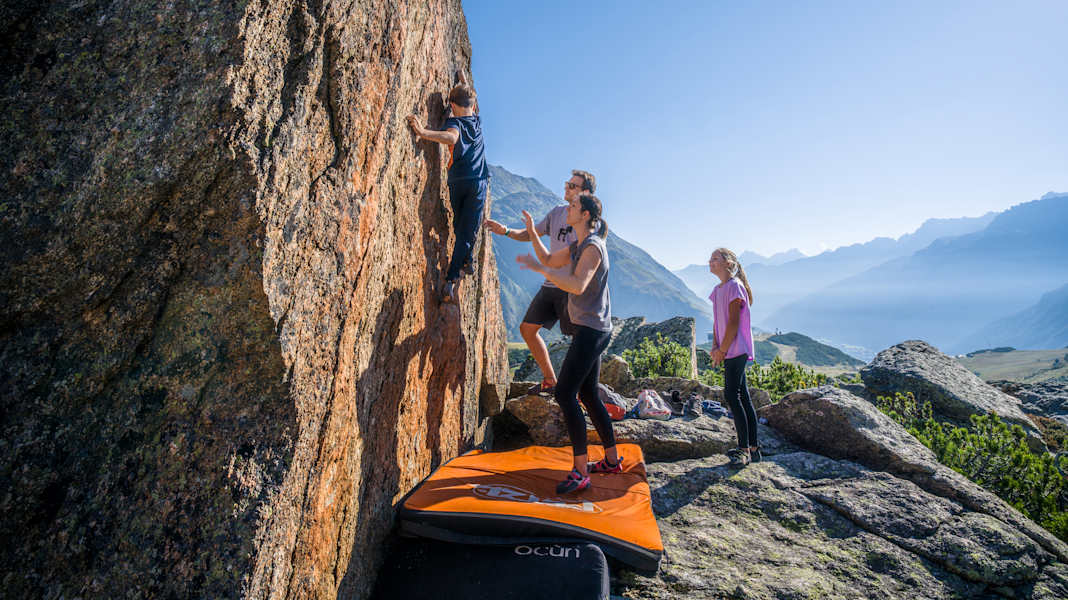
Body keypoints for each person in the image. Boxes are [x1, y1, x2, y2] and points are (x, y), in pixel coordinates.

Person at [517, 193, 619, 494]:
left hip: (592, 330)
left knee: (564, 392)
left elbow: (576, 284)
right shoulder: (578, 245)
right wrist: (534, 233)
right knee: (587, 394)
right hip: (591, 327)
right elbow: (549, 259)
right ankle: (612, 461)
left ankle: (580, 471)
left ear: (585, 215)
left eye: (574, 207)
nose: (568, 210)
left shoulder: (592, 248)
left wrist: (544, 272)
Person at [484, 170, 595, 395]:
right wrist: (505, 231)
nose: (566, 188)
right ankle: (550, 380)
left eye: (572, 186)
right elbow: (531, 234)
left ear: (585, 192)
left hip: (571, 289)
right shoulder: (556, 213)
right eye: (567, 183)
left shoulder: (588, 222)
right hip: (550, 285)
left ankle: (586, 389)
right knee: (527, 329)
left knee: (579, 339)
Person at [406, 83, 490, 302]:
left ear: (452, 105)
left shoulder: (454, 121)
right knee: (465, 229)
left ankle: (466, 261)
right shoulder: (476, 120)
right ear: (472, 105)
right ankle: (452, 279)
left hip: (457, 181)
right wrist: (423, 133)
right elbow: (452, 138)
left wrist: (424, 132)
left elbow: (452, 137)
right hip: (477, 181)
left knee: (461, 226)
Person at [707, 248, 759, 465]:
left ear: (728, 263)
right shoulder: (718, 289)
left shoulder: (734, 287)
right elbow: (718, 321)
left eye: (715, 259)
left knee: (731, 395)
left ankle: (743, 450)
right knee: (743, 396)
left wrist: (723, 350)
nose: (710, 262)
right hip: (729, 348)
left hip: (736, 349)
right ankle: (753, 449)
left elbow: (733, 323)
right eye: (710, 259)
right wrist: (715, 345)